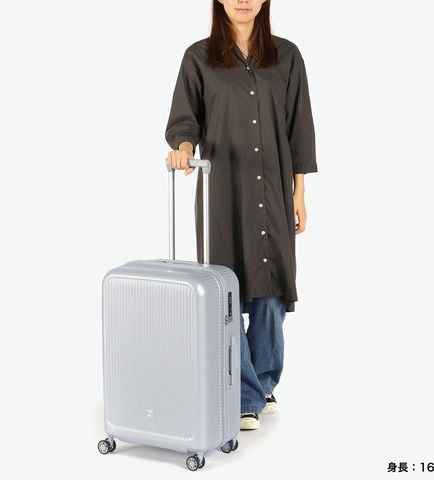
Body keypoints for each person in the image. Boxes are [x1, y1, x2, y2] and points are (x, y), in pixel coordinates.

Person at [164, 0, 317, 430]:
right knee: (227, 291)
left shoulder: (287, 56)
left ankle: (261, 384)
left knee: (271, 290)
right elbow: (184, 121)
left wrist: (299, 193)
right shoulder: (198, 57)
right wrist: (184, 149)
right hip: (223, 193)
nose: (243, 0)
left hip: (274, 190)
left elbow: (299, 127)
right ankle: (245, 394)